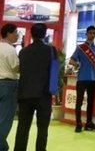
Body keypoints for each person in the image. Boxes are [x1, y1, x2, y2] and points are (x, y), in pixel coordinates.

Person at [14, 23, 57, 151]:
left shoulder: (23, 52)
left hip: (25, 94)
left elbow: (20, 72)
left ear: (31, 35)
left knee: (22, 127)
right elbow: (54, 72)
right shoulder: (51, 50)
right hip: (44, 95)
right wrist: (53, 91)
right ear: (45, 34)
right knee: (42, 128)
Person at [69, 25, 95, 133]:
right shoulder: (80, 48)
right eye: (90, 33)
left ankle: (89, 123)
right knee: (79, 102)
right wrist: (78, 64)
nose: (92, 35)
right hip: (81, 79)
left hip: (93, 79)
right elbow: (71, 61)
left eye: (94, 33)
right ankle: (78, 124)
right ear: (86, 34)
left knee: (91, 102)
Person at [0, 24, 19, 151]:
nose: (17, 35)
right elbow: (16, 67)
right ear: (8, 33)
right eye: (16, 32)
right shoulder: (10, 49)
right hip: (8, 85)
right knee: (5, 119)